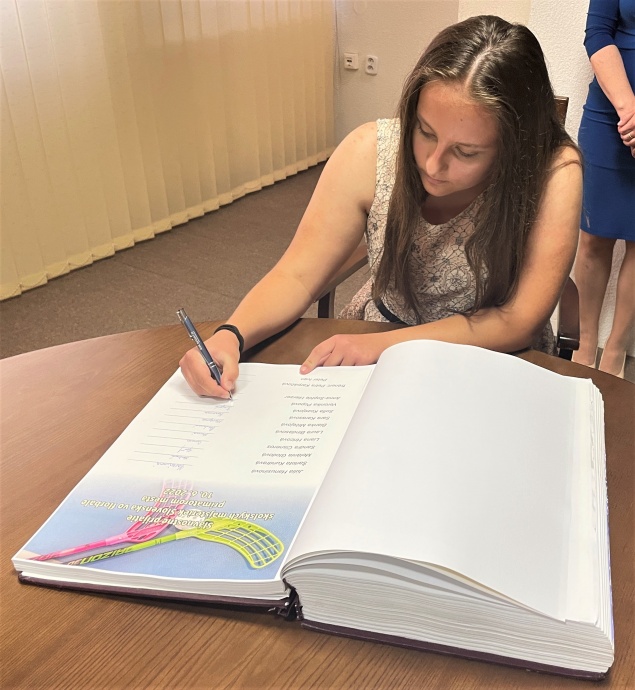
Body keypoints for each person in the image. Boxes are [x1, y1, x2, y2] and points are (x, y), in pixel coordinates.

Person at [180, 15, 582, 398]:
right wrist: (231, 334)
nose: (433, 165)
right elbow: (298, 275)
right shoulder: (371, 151)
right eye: (425, 132)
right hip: (375, 342)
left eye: (466, 152)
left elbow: (517, 321)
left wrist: (387, 346)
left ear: (515, 148)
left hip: (491, 358)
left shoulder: (553, 173)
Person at [572, 0, 635, 378]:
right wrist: (630, 111)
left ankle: (615, 354)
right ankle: (583, 347)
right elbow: (597, 32)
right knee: (594, 237)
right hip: (608, 113)